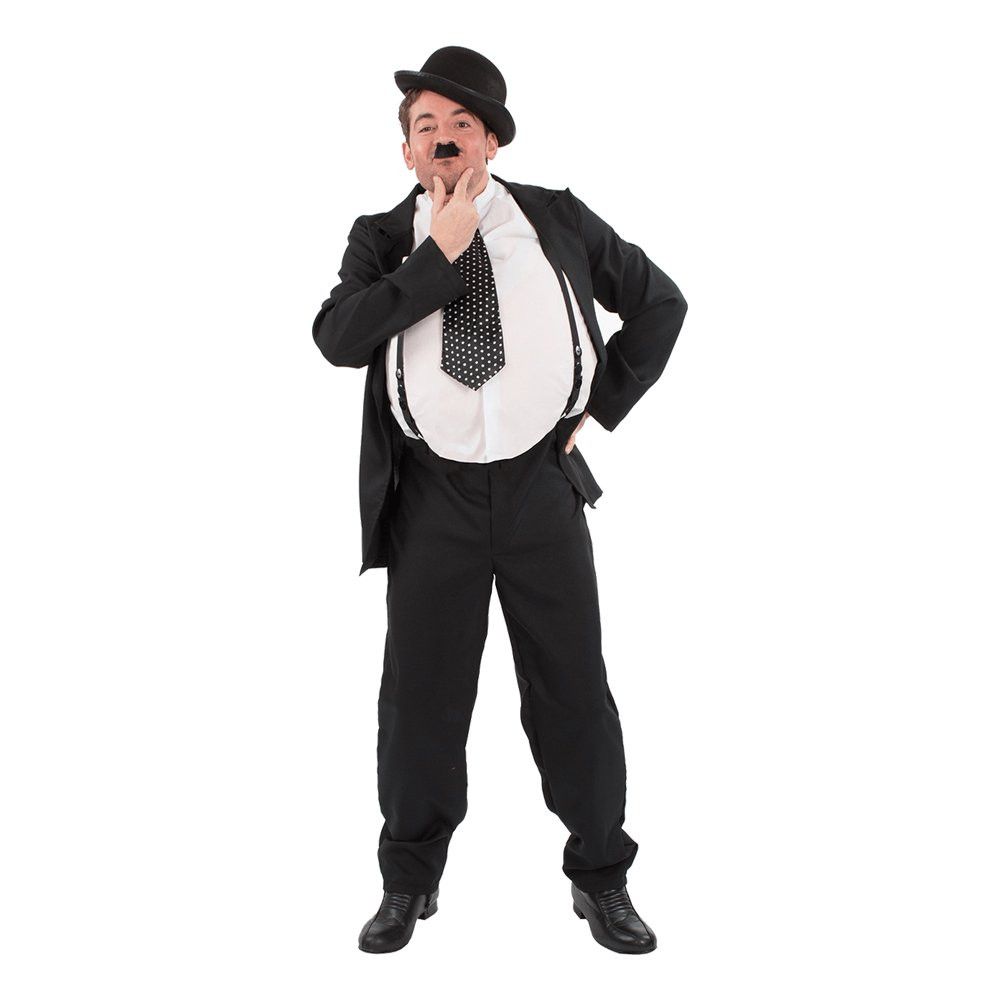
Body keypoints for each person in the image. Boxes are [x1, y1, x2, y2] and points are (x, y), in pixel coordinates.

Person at [311, 45, 688, 954]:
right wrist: (436, 256)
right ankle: (409, 883)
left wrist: (596, 410)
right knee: (420, 700)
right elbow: (337, 339)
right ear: (406, 151)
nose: (442, 139)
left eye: (460, 124)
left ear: (492, 141)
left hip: (538, 494)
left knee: (573, 690)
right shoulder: (380, 238)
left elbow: (661, 304)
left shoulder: (556, 219)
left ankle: (602, 877)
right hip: (430, 500)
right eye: (425, 127)